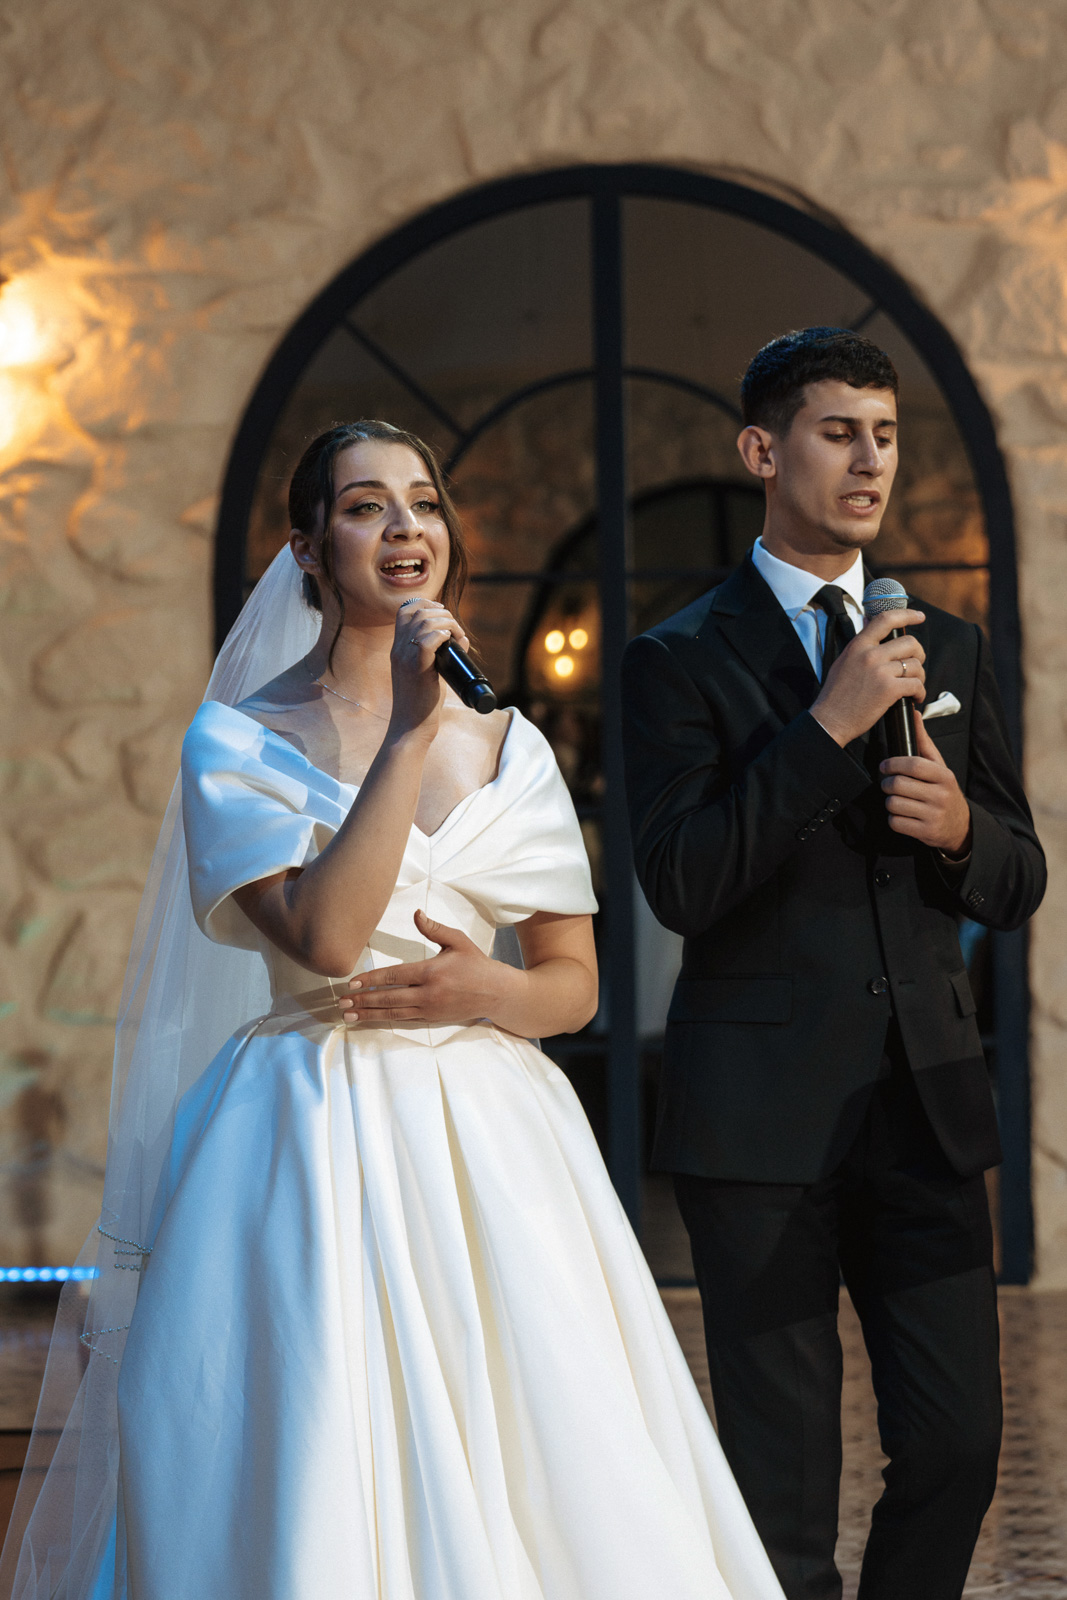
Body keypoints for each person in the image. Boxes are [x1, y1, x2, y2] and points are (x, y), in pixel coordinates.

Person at [2, 420, 785, 1600]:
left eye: (423, 502)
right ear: (308, 547)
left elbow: (570, 980)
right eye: (366, 506)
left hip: (489, 1134)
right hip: (305, 1123)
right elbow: (322, 934)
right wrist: (411, 732)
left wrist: (492, 990)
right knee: (315, 1432)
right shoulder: (238, 739)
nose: (405, 527)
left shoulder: (510, 741)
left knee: (544, 1440)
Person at [621, 329, 1046, 1600]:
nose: (869, 460)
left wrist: (961, 832)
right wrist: (824, 728)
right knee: (781, 1493)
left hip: (922, 1106)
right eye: (836, 432)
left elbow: (1018, 874)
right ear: (761, 450)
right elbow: (681, 880)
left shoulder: (946, 644)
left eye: (885, 435)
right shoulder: (673, 657)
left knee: (959, 1446)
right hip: (758, 1125)